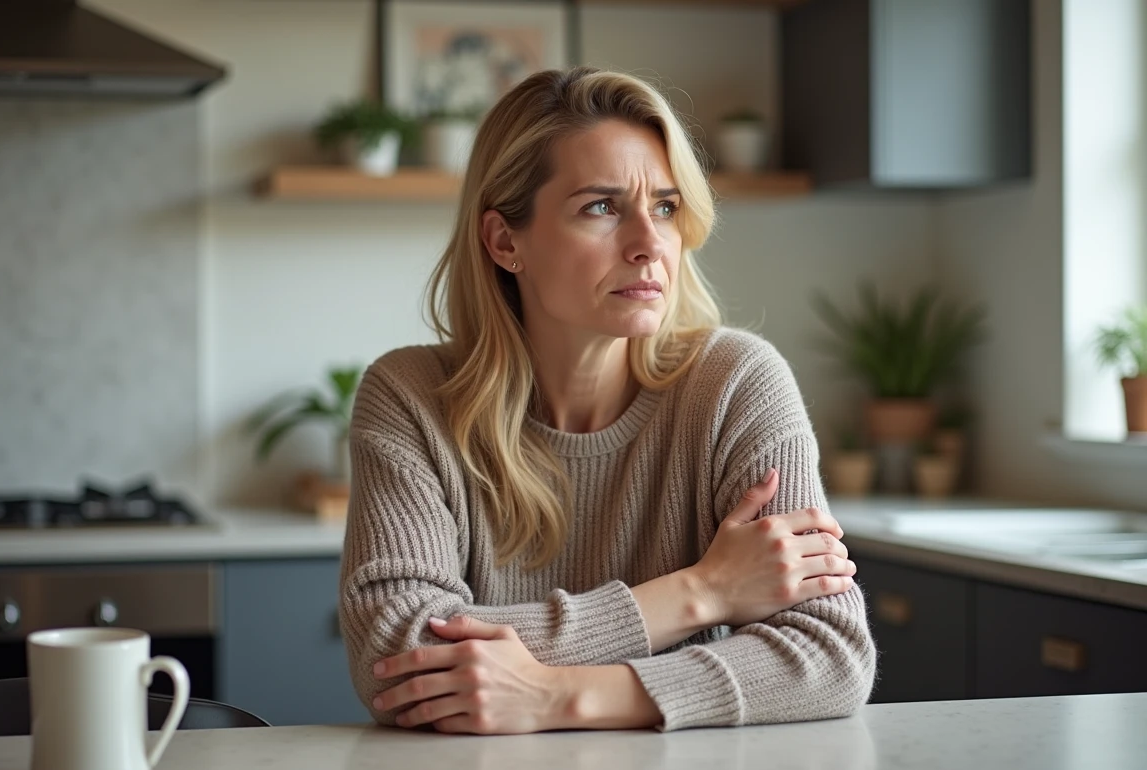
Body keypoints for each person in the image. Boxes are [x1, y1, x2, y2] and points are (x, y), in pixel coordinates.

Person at [338, 66, 876, 734]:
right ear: (506, 241)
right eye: (601, 207)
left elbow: (830, 654)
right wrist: (701, 591)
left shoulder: (736, 383)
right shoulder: (411, 399)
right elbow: (402, 656)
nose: (650, 245)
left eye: (665, 208)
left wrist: (559, 696)